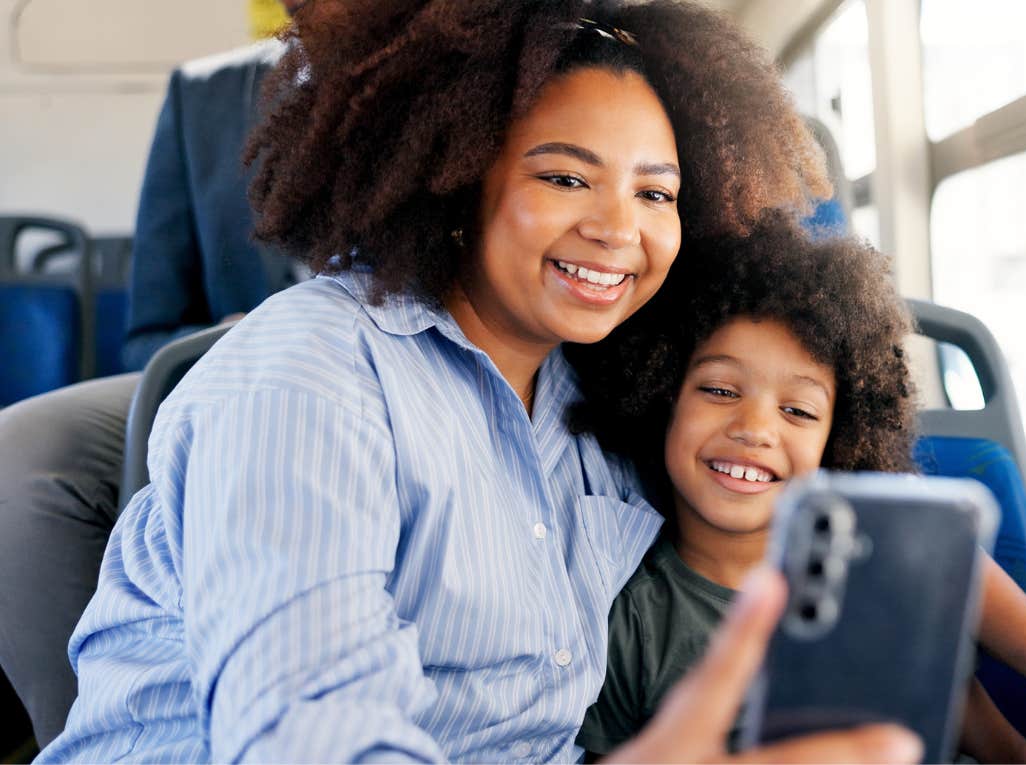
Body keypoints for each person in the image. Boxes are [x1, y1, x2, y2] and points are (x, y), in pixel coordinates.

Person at [37, 2, 920, 762]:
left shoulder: (612, 395)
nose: (620, 228)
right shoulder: (310, 375)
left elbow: (824, 490)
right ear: (458, 180)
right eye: (566, 176)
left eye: (656, 194)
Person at [568, 217, 1026, 763]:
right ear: (661, 396)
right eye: (719, 390)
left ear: (836, 443)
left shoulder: (870, 561)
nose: (755, 429)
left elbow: (965, 617)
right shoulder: (631, 620)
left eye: (797, 410)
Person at [0, 5, 305, 744]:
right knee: (26, 453)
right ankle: (87, 737)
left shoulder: (465, 64)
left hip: (404, 357)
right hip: (234, 378)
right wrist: (227, 343)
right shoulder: (203, 92)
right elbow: (149, 333)